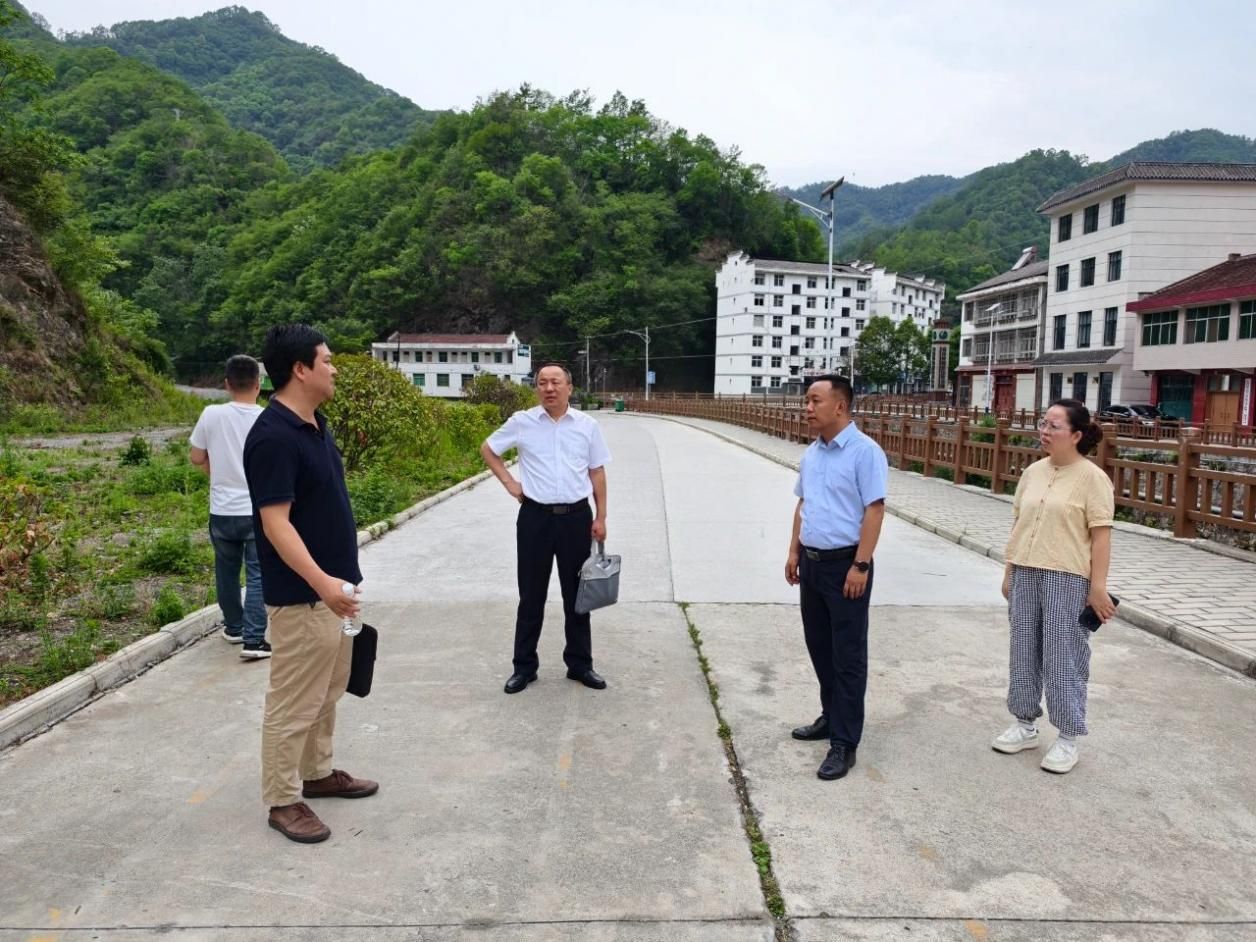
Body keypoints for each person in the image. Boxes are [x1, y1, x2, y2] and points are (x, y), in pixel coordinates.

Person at [243, 324, 377, 844]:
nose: (334, 368)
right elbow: (276, 524)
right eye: (327, 360)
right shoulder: (273, 437)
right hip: (304, 596)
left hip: (335, 592)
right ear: (300, 369)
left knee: (327, 691)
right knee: (294, 701)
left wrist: (339, 586)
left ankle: (316, 773)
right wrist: (322, 584)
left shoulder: (315, 424)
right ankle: (282, 800)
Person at [993, 398, 1115, 775]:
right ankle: (1025, 723)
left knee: (1063, 655)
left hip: (1067, 576)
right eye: (1043, 424)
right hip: (1026, 571)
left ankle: (1067, 736)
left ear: (1076, 435)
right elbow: (1019, 525)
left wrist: (1098, 587)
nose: (1044, 431)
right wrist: (1009, 571)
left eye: (1053, 426)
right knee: (1023, 648)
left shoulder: (1093, 478)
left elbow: (1101, 537)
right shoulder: (1033, 472)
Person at [480, 363, 611, 694]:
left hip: (576, 518)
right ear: (536, 388)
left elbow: (597, 472)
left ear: (569, 387)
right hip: (534, 518)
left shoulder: (587, 426)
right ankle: (524, 667)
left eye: (555, 382)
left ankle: (580, 664)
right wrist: (510, 483)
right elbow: (489, 449)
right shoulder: (522, 422)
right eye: (542, 383)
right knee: (531, 595)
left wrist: (601, 517)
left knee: (577, 595)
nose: (549, 388)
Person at [785, 374, 888, 781]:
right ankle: (830, 716)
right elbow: (803, 504)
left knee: (848, 656)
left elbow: (875, 510)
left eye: (815, 401)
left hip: (846, 566)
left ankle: (844, 743)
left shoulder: (865, 452)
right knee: (820, 647)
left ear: (840, 406)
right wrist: (793, 551)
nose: (807, 408)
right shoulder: (812, 453)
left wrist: (861, 565)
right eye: (806, 401)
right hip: (811, 564)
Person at [189, 355, 268, 658]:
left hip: (221, 511)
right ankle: (254, 639)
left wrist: (218, 473)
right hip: (256, 510)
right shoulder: (266, 418)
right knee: (257, 573)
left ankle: (234, 628)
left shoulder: (211, 414)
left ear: (226, 384)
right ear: (258, 384)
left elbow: (196, 457)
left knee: (226, 571)